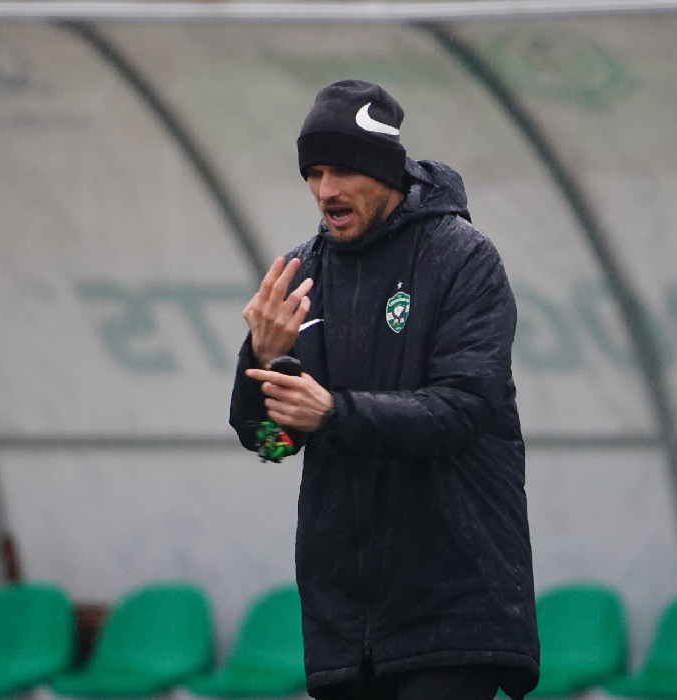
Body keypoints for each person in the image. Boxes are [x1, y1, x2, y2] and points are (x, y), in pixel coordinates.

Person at [229, 79, 539, 700]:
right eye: (314, 173)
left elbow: (464, 409)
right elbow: (273, 442)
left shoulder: (462, 258)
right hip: (345, 626)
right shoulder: (303, 274)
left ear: (385, 171)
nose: (326, 190)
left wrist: (334, 412)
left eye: (342, 170)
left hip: (453, 608)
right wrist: (261, 359)